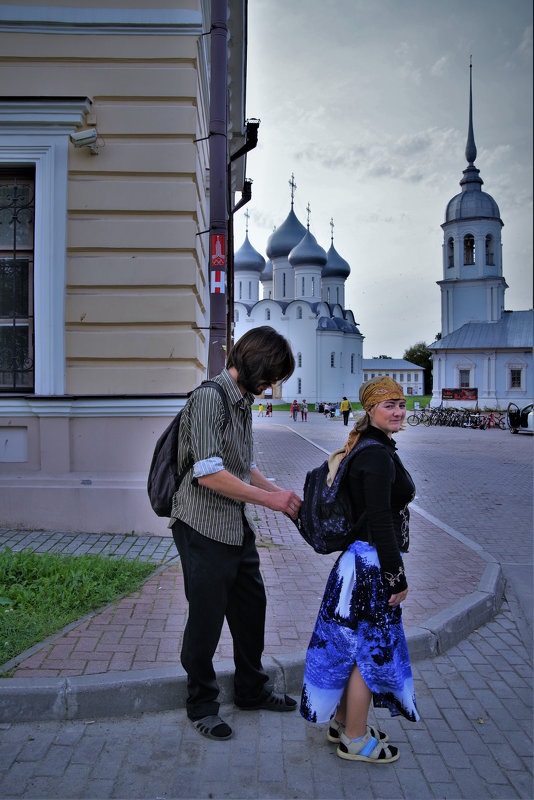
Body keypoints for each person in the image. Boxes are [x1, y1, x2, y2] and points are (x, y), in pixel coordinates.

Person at [170, 326, 302, 741]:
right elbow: (208, 474)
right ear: (251, 362)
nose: (271, 384)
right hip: (202, 528)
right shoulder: (210, 398)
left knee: (251, 613)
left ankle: (250, 690)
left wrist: (275, 490)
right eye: (270, 374)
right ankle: (202, 704)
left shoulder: (241, 401)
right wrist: (270, 503)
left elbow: (240, 465)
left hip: (235, 527)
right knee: (206, 621)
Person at [300, 376, 419, 763]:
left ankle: (342, 722)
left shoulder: (371, 447)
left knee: (351, 648)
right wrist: (395, 576)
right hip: (370, 565)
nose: (398, 411)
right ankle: (354, 737)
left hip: (357, 563)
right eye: (389, 405)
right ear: (370, 410)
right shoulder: (375, 454)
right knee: (367, 654)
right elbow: (381, 520)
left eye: (401, 404)